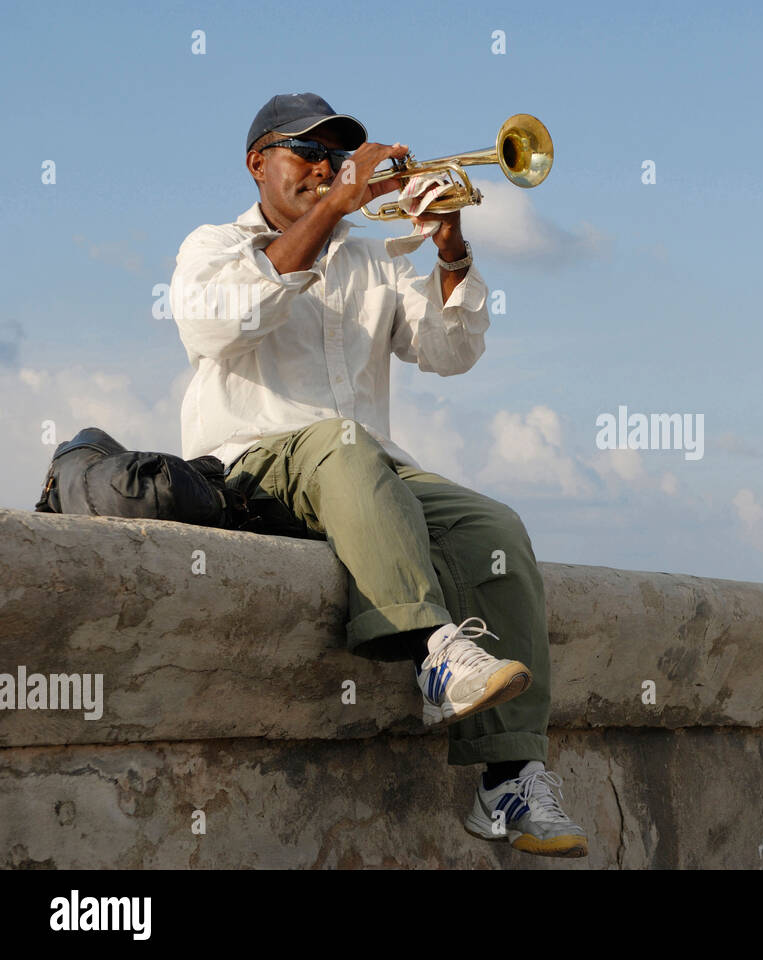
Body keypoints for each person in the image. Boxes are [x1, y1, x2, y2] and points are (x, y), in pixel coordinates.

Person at [168, 92, 586, 859]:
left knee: (491, 524)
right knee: (345, 445)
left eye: (337, 156)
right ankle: (435, 654)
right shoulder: (213, 245)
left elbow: (450, 353)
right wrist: (333, 210)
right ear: (258, 161)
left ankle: (510, 777)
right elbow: (214, 324)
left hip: (363, 471)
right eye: (308, 154)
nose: (325, 168)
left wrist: (450, 250)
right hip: (251, 464)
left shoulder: (368, 260)